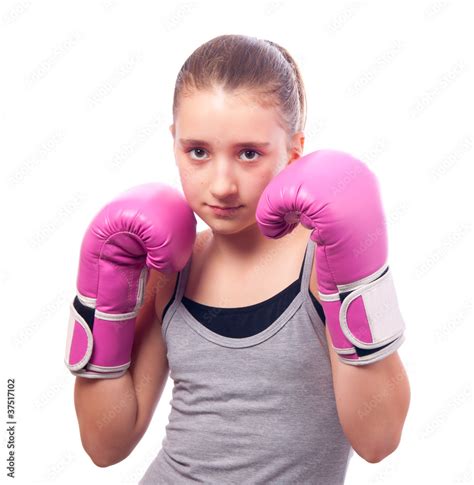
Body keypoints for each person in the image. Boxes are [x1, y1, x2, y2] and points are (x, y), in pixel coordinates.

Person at [70, 34, 410, 484]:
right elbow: (105, 444)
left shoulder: (325, 261)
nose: (222, 185)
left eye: (249, 153)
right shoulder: (170, 270)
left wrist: (357, 279)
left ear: (293, 150)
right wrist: (102, 297)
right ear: (174, 143)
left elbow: (378, 439)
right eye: (198, 152)